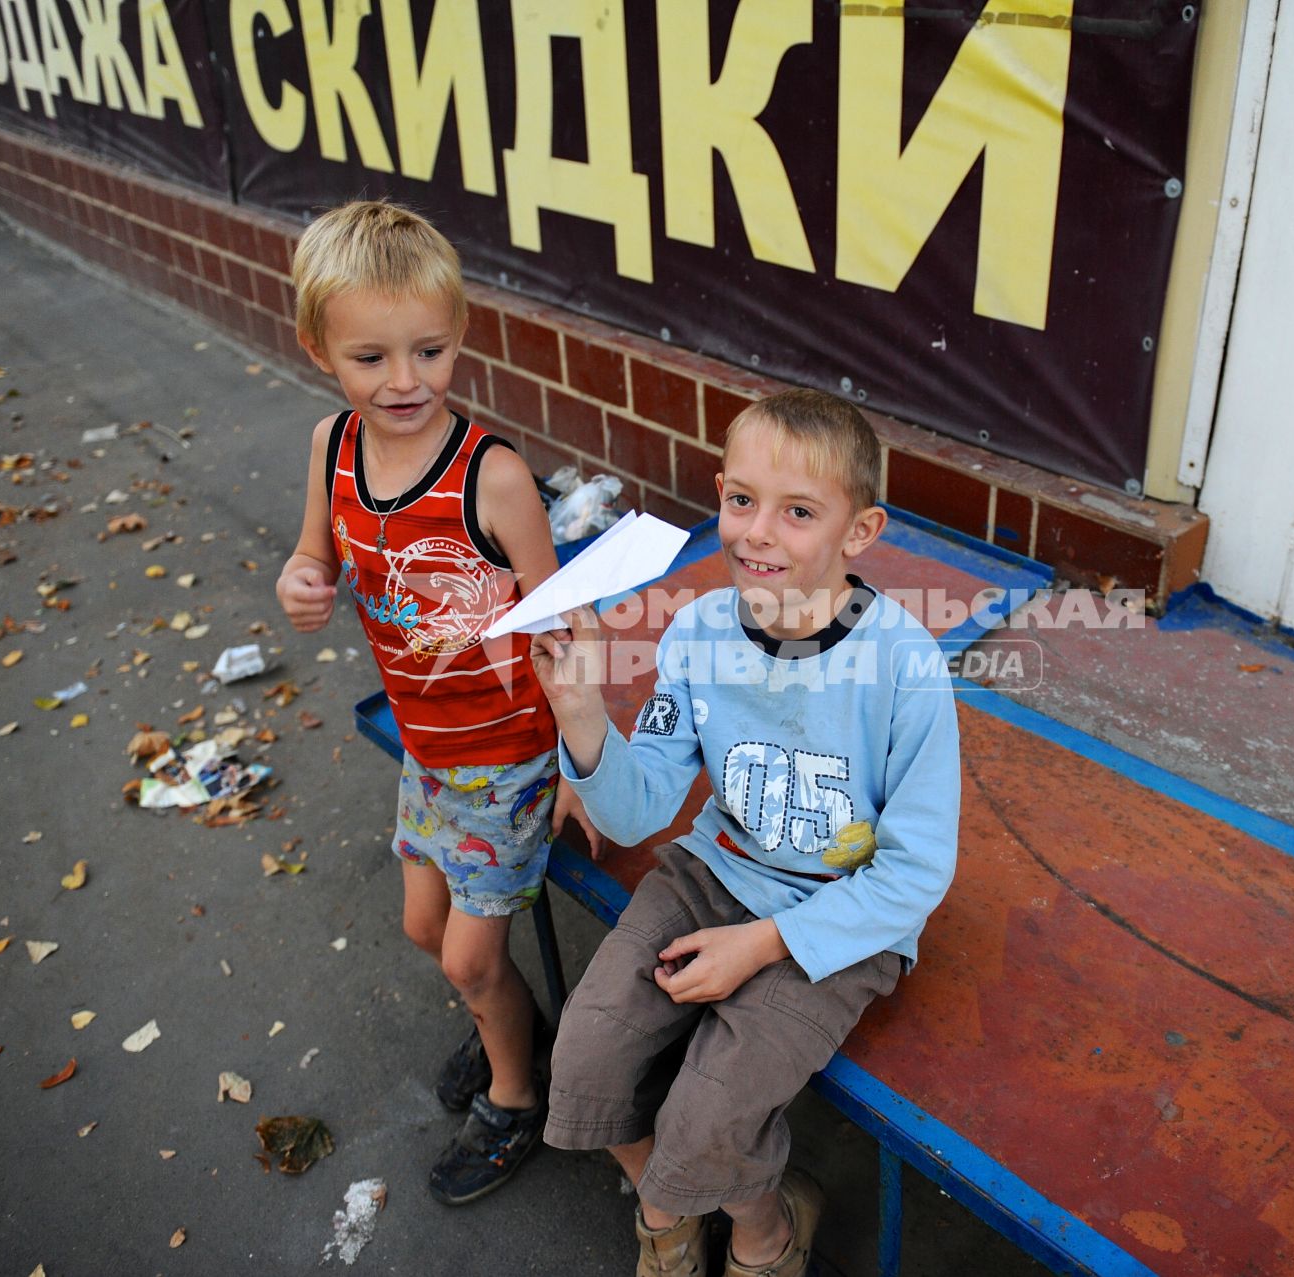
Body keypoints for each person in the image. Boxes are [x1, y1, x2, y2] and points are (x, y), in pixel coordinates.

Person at [530, 389, 961, 1277]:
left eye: (798, 511)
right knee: (583, 1053)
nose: (758, 531)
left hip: (839, 916)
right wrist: (579, 713)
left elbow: (914, 873)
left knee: (709, 1112)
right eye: (741, 501)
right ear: (719, 493)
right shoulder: (696, 633)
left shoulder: (904, 664)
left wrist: (762, 945)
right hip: (714, 871)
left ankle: (765, 1232)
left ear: (858, 529)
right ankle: (667, 1206)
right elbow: (642, 809)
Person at [274, 199, 594, 1207]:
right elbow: (311, 558)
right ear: (318, 347)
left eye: (431, 349)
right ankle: (513, 1015)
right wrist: (298, 584)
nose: (406, 380)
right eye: (372, 356)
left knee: (466, 951)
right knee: (426, 929)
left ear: (459, 336)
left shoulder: (492, 477)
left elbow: (562, 623)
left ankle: (516, 1093)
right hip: (429, 751)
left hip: (506, 757)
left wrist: (584, 765)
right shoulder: (330, 447)